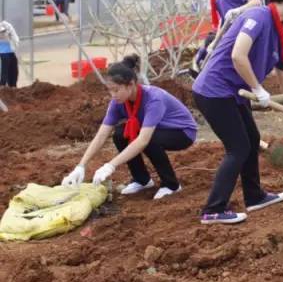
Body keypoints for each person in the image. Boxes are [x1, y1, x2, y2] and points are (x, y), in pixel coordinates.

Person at [192, 0, 283, 225]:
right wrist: (257, 87)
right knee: (238, 148)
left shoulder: (278, 30)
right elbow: (238, 55)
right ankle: (213, 209)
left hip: (232, 92)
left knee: (252, 140)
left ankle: (254, 196)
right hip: (214, 91)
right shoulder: (259, 17)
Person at [61, 54, 197, 200]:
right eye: (110, 90)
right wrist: (80, 166)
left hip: (182, 132)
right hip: (157, 130)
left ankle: (172, 185)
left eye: (116, 90)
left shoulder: (153, 99)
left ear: (131, 84)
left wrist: (110, 166)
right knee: (120, 134)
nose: (113, 95)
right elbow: (101, 135)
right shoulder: (117, 102)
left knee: (150, 141)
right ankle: (142, 180)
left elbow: (143, 140)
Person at [0, 21, 19, 87]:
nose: (2, 34)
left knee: (14, 73)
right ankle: (2, 87)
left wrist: (15, 42)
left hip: (10, 52)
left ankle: (13, 87)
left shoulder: (7, 25)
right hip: (2, 54)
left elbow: (15, 38)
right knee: (3, 75)